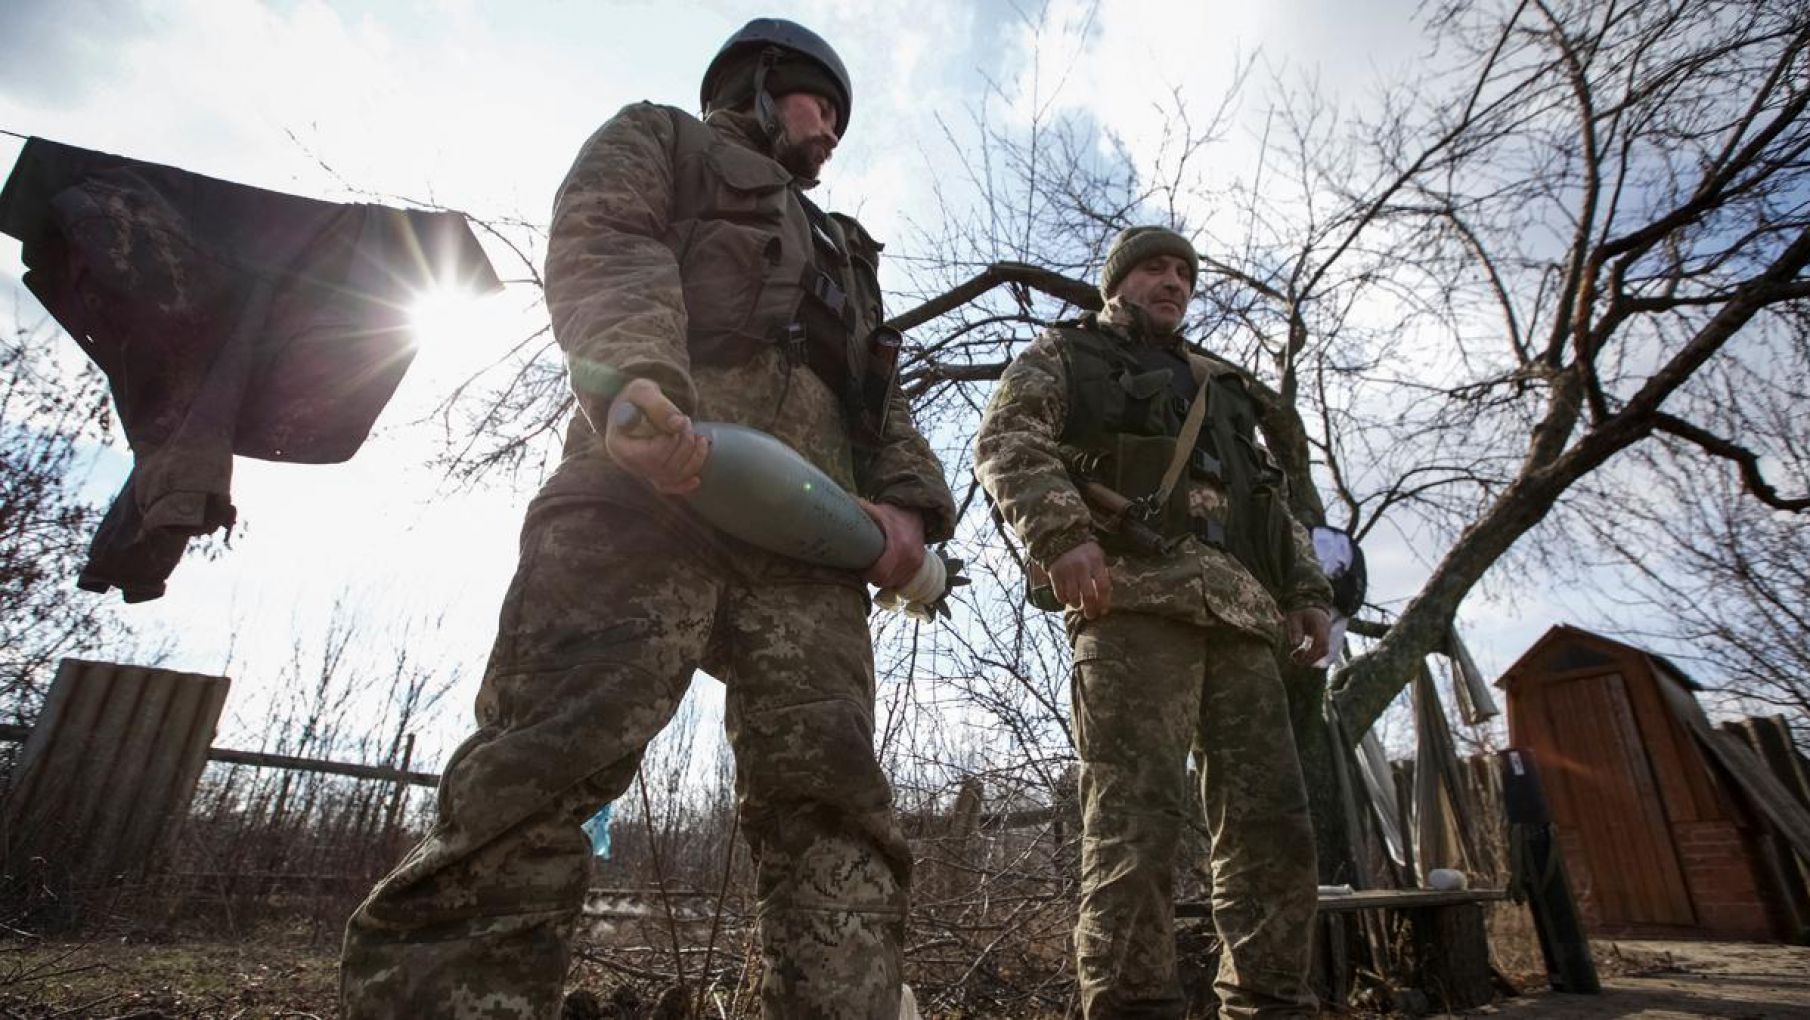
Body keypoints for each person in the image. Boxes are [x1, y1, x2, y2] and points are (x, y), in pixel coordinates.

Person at [340, 18, 955, 1019]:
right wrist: (636, 375)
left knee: (836, 802)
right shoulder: (663, 141)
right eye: (819, 102)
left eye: (843, 115)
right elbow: (606, 235)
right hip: (647, 494)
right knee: (546, 760)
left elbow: (882, 398)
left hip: (808, 546)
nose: (833, 128)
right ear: (760, 85)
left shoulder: (845, 250)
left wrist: (909, 512)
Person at [974, 226, 1333, 1019]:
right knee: (1135, 826)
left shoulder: (1225, 389)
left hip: (1242, 619)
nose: (1172, 282)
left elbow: (1269, 503)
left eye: (1183, 272)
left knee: (1273, 829)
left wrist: (1308, 589)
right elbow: (1006, 440)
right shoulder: (1069, 353)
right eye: (1153, 268)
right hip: (1130, 605)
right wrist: (1063, 535)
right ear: (1117, 282)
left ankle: (1273, 1004)